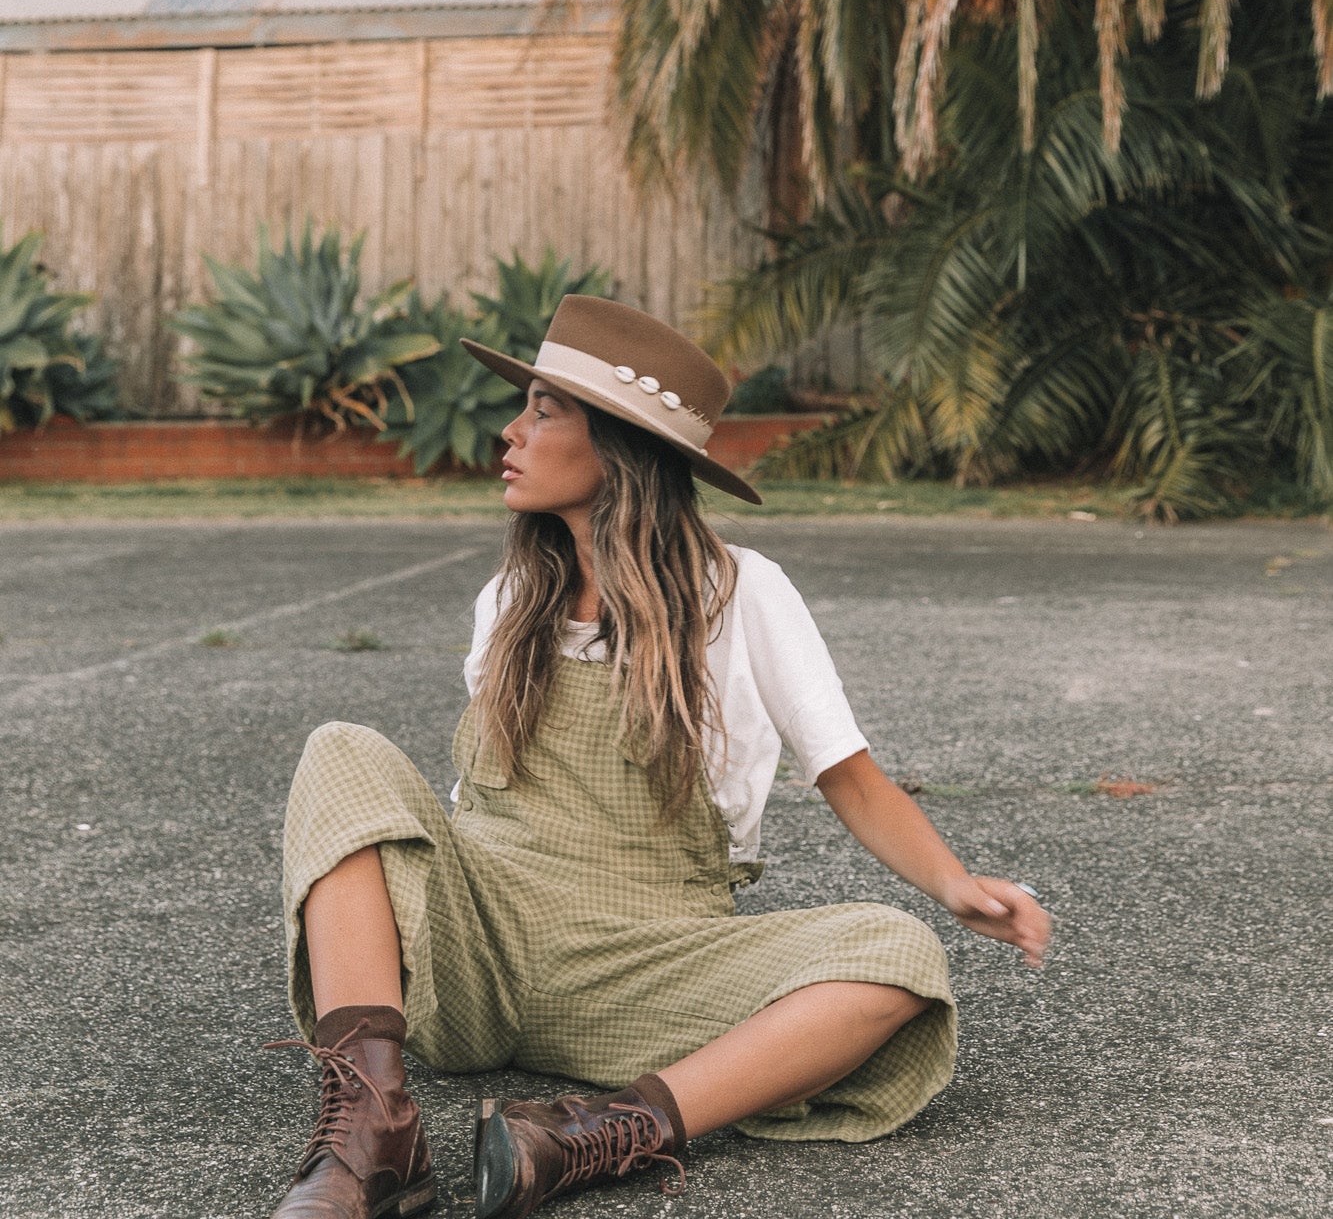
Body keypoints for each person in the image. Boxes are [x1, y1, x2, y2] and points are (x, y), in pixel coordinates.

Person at [268, 297, 1050, 1219]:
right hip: (477, 956)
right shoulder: (510, 595)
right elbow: (466, 798)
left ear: (621, 448)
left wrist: (954, 886)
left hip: (648, 964)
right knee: (341, 751)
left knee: (899, 956)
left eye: (547, 410)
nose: (512, 431)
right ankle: (372, 1136)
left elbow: (846, 774)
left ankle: (585, 1138)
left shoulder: (742, 592)